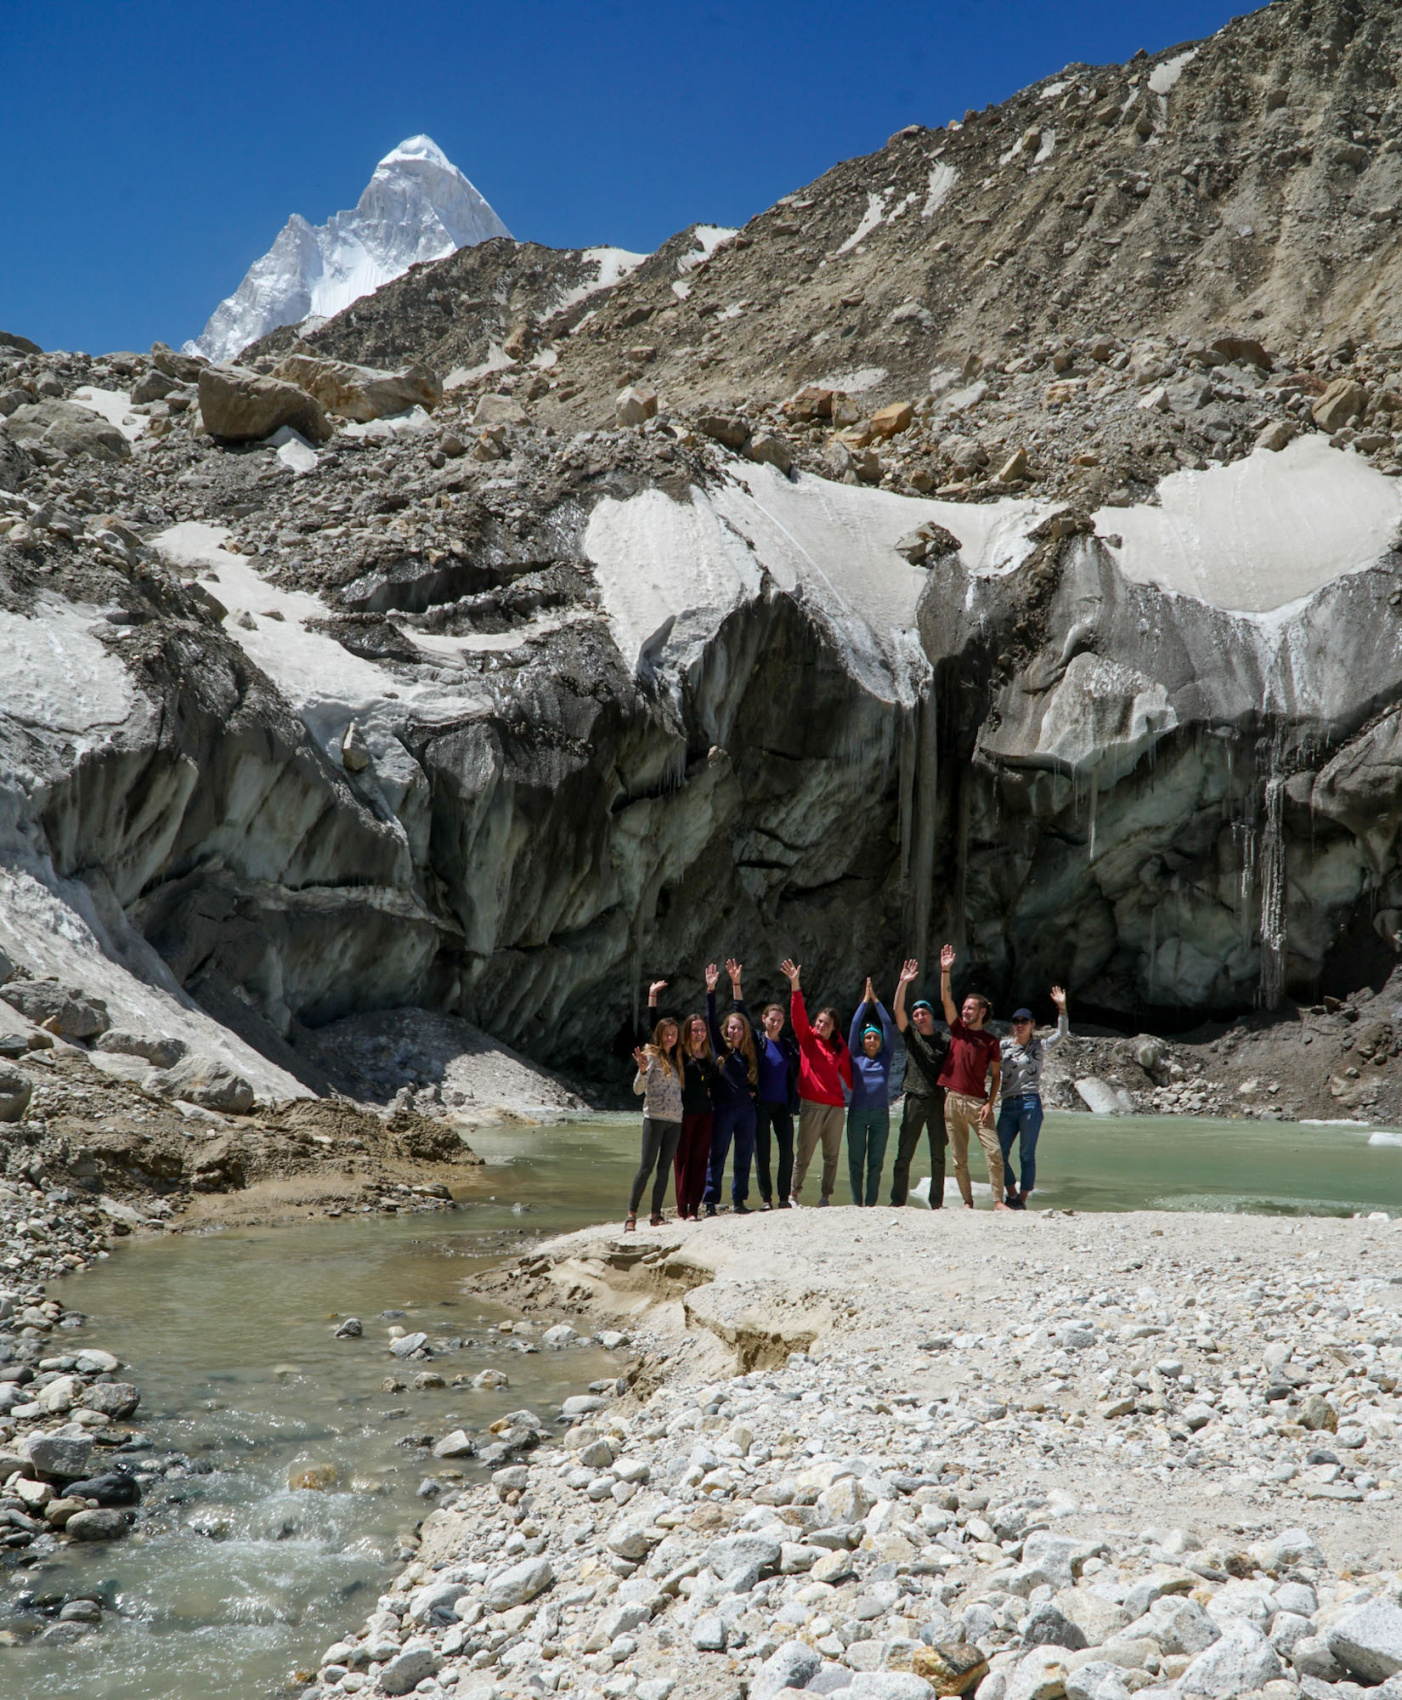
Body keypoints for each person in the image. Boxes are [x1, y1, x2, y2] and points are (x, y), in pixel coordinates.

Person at [936, 943, 1007, 1210]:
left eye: (969, 1009)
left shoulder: (990, 1042)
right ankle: (968, 1202)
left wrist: (990, 1103)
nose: (964, 1012)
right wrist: (945, 970)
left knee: (994, 1153)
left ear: (982, 1012)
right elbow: (946, 999)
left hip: (979, 1104)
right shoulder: (957, 1030)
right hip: (952, 1099)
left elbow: (997, 1076)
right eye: (964, 1007)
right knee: (959, 1158)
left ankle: (998, 1201)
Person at [781, 958, 853, 1207]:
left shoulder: (839, 1047)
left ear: (834, 1028)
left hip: (835, 1107)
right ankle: (794, 1195)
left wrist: (866, 1099)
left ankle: (825, 1197)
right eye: (819, 1021)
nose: (821, 1025)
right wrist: (795, 985)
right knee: (804, 1153)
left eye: (826, 1024)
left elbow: (850, 1077)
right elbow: (797, 1016)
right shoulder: (808, 1039)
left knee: (831, 1155)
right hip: (811, 1105)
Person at [997, 985, 1069, 1209]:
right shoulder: (1003, 1046)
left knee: (1027, 1154)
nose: (1019, 1025)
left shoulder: (1039, 1045)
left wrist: (1062, 1008)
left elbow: (1061, 1034)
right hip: (1007, 1103)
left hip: (1030, 1102)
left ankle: (1022, 1199)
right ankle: (1011, 1192)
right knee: (997, 1152)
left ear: (1032, 1025)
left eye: (1024, 1021)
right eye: (1016, 1021)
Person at [890, 958, 950, 1208]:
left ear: (931, 1016)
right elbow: (897, 1010)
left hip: (937, 1100)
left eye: (923, 1013)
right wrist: (903, 983)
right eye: (916, 1014)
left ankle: (936, 1202)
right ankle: (897, 1201)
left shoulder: (945, 1041)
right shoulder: (911, 1036)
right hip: (914, 1097)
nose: (919, 1016)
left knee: (939, 1155)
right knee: (904, 1153)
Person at [703, 959, 760, 1216]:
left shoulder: (750, 1052)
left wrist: (738, 984)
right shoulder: (721, 1050)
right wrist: (711, 991)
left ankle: (739, 1201)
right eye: (732, 1028)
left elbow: (743, 1013)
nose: (735, 1031)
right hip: (724, 1109)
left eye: (739, 1028)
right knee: (717, 1155)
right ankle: (710, 1202)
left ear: (744, 1030)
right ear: (727, 1030)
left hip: (746, 1111)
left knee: (743, 1156)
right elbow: (711, 1020)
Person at [626, 1011, 683, 1230]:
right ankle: (631, 1215)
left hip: (675, 1120)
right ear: (659, 1035)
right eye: (666, 1034)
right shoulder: (650, 1055)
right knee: (646, 1167)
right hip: (654, 1118)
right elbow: (637, 1090)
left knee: (664, 1168)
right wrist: (641, 1070)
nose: (670, 1037)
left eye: (674, 1034)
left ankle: (656, 1215)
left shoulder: (676, 1057)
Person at [846, 976, 893, 1206]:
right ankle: (857, 1203)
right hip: (857, 1114)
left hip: (880, 1116)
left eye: (875, 1037)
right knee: (856, 1161)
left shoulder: (885, 1058)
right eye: (868, 1038)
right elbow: (855, 1026)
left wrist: (876, 1001)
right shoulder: (855, 1056)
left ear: (880, 1041)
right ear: (862, 1042)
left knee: (876, 1163)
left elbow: (887, 1024)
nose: (872, 1040)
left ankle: (871, 1204)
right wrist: (865, 1002)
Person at [754, 999, 801, 1210]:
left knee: (787, 1152)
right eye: (772, 1020)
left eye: (780, 1021)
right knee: (762, 1151)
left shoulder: (788, 1045)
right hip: (761, 1104)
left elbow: (798, 1071)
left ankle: (783, 1197)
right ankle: (766, 1199)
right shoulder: (756, 1042)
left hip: (783, 1105)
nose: (775, 1024)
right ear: (764, 1019)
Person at [676, 1007, 716, 1221]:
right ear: (688, 1032)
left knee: (700, 1161)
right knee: (683, 1160)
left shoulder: (709, 1056)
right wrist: (652, 1000)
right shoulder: (680, 1054)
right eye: (694, 1030)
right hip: (684, 1113)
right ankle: (682, 1209)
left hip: (705, 1114)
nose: (699, 1034)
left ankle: (694, 1209)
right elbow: (656, 1032)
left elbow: (714, 1083)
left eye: (702, 1030)